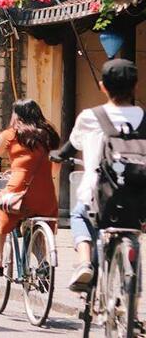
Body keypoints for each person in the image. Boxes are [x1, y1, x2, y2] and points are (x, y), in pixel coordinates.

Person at [66, 58, 143, 291]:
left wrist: (57, 155)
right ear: (135, 86)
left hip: (99, 198)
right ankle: (132, 302)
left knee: (79, 214)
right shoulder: (144, 119)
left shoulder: (90, 117)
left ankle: (84, 262)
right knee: (132, 233)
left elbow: (71, 145)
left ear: (103, 86)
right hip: (139, 201)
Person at [0, 99, 59, 275]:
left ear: (16, 116)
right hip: (47, 198)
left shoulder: (11, 135)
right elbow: (55, 169)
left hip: (19, 193)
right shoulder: (51, 136)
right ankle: (42, 263)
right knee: (35, 224)